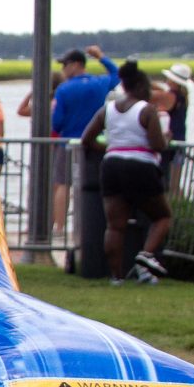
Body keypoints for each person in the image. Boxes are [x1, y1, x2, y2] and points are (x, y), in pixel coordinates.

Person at [82, 61, 171, 287]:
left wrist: (112, 148)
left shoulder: (108, 109)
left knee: (115, 225)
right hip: (141, 166)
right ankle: (145, 256)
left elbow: (87, 139)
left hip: (111, 164)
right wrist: (167, 138)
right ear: (141, 86)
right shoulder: (146, 110)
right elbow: (157, 144)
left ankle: (116, 276)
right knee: (162, 216)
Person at [49, 44, 120, 243]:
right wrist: (101, 56)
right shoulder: (99, 83)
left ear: (76, 64)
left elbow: (57, 121)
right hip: (94, 143)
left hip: (68, 142)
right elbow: (117, 75)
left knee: (62, 184)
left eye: (65, 65)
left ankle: (60, 229)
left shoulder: (64, 89)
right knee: (90, 185)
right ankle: (89, 226)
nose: (63, 69)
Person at [159, 62, 192, 190]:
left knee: (167, 182)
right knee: (175, 182)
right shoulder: (182, 97)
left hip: (171, 143)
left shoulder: (171, 96)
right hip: (180, 140)